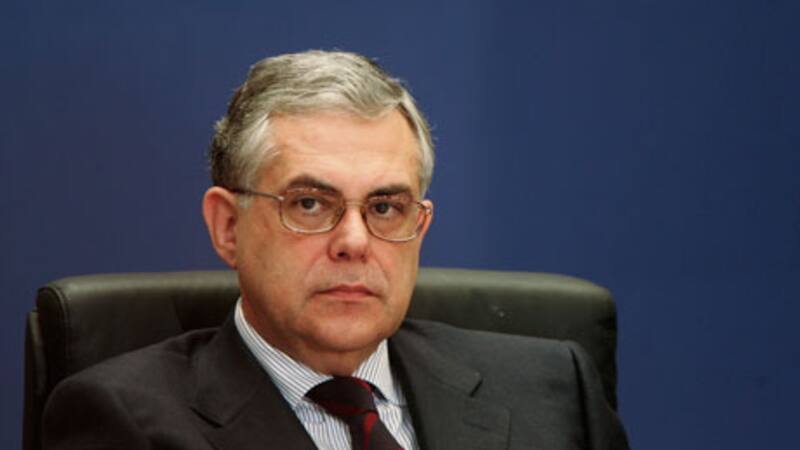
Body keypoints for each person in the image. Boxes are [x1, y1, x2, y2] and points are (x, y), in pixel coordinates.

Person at [42, 50, 629, 449]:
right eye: (309, 204)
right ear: (227, 227)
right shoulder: (123, 421)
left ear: (419, 228)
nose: (354, 242)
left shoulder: (554, 392)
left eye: (385, 207)